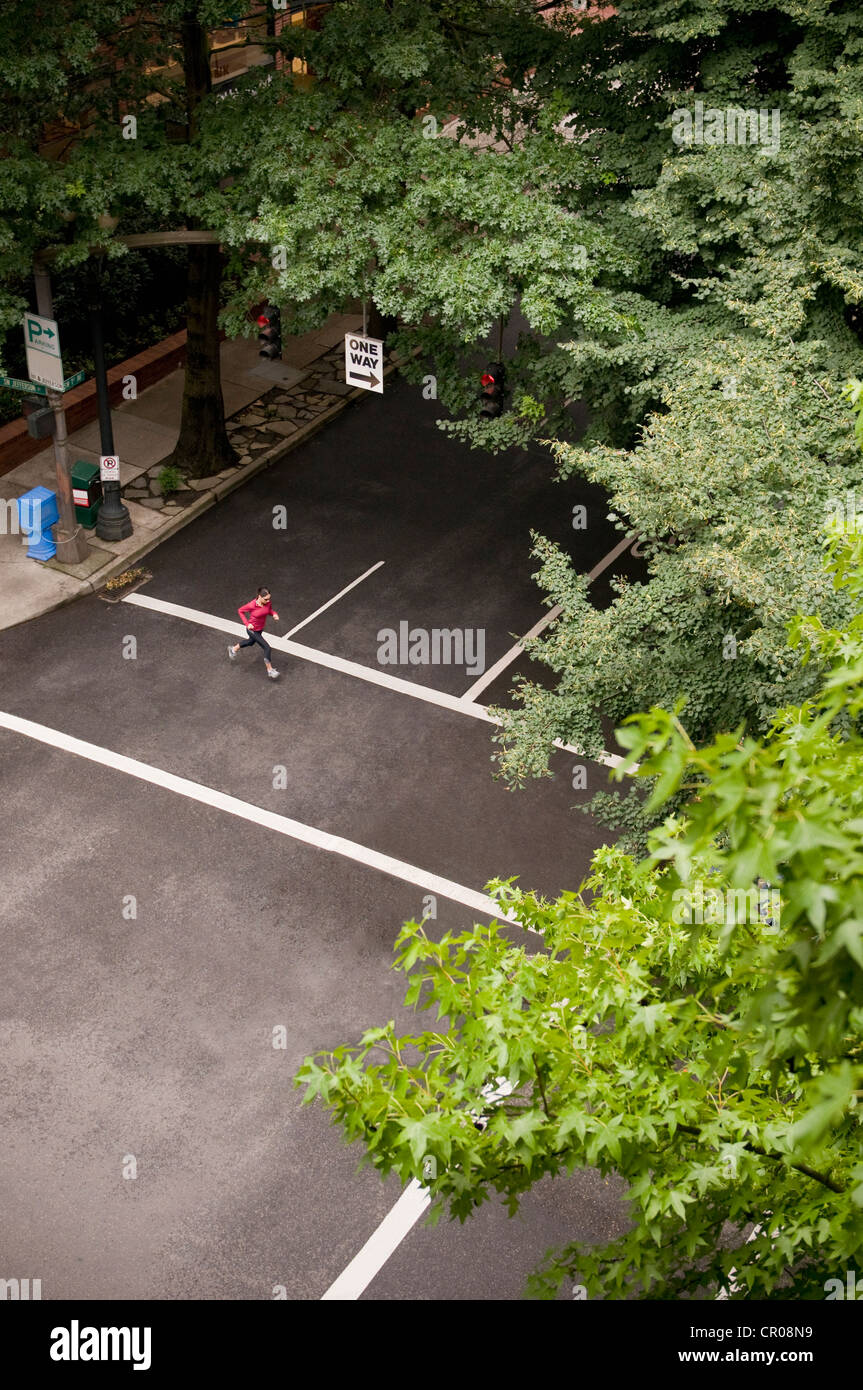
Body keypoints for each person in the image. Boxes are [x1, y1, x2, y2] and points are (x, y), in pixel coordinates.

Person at [228, 586, 280, 678]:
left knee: (250, 642)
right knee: (267, 648)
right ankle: (270, 670)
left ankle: (233, 649)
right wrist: (247, 624)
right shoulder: (252, 605)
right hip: (252, 630)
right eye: (266, 599)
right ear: (259, 597)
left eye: (269, 598)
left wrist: (274, 614)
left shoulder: (267, 603)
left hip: (260, 629)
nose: (268, 601)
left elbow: (269, 610)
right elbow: (240, 611)